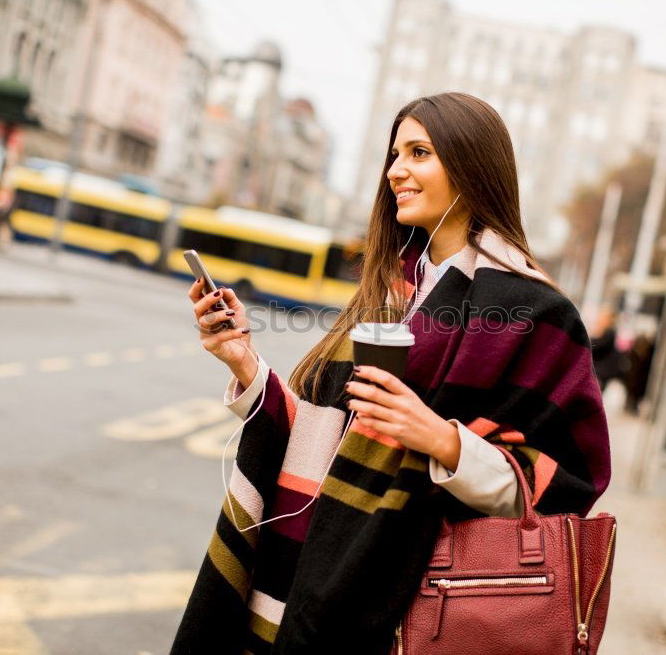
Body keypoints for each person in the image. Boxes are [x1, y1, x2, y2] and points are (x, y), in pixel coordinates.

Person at [172, 92, 612, 653]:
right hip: (298, 583)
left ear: (473, 167)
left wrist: (442, 441)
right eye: (395, 153)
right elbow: (322, 435)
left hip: (410, 609)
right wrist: (244, 363)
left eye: (419, 152)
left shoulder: (538, 314)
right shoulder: (388, 291)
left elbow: (569, 486)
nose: (395, 171)